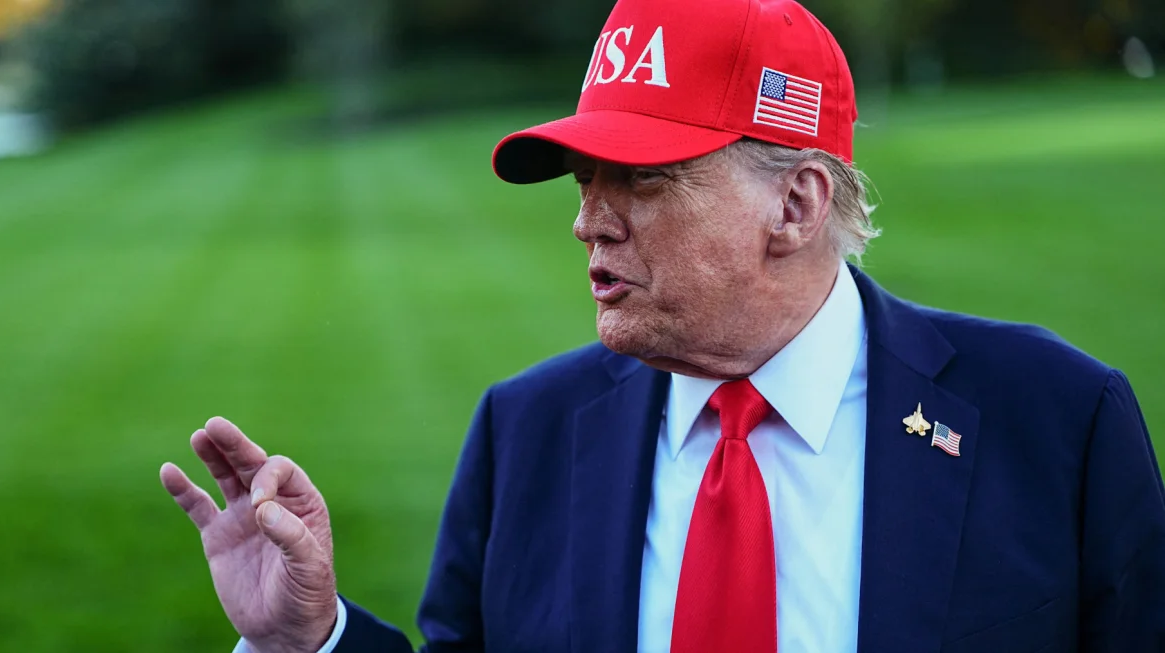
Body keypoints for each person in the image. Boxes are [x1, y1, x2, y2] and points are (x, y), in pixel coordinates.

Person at [159, 0, 1165, 650]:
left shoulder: (1055, 419)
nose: (587, 218)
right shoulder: (527, 430)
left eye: (641, 179)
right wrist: (315, 636)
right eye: (585, 179)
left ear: (799, 203)